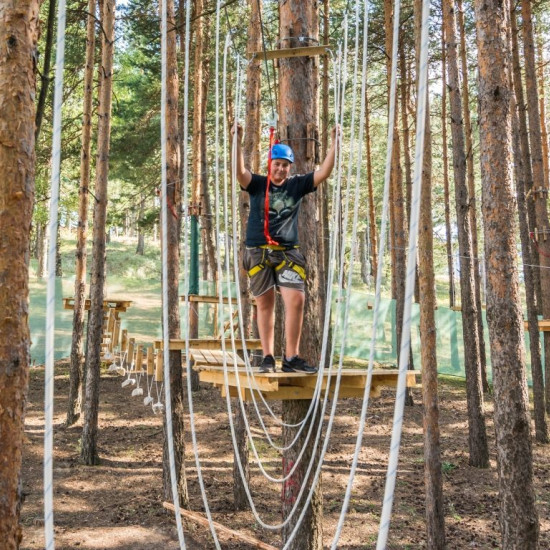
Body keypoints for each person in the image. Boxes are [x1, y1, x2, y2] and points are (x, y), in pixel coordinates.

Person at [232, 123, 339, 374]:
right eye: (277, 163)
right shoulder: (258, 184)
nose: (280, 168)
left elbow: (324, 171)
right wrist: (237, 139)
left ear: (290, 167)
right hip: (258, 250)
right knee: (265, 303)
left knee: (296, 299)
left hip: (287, 252)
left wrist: (335, 142)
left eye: (285, 165)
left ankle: (291, 357)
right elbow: (239, 172)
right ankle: (268, 357)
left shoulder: (296, 185)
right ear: (270, 164)